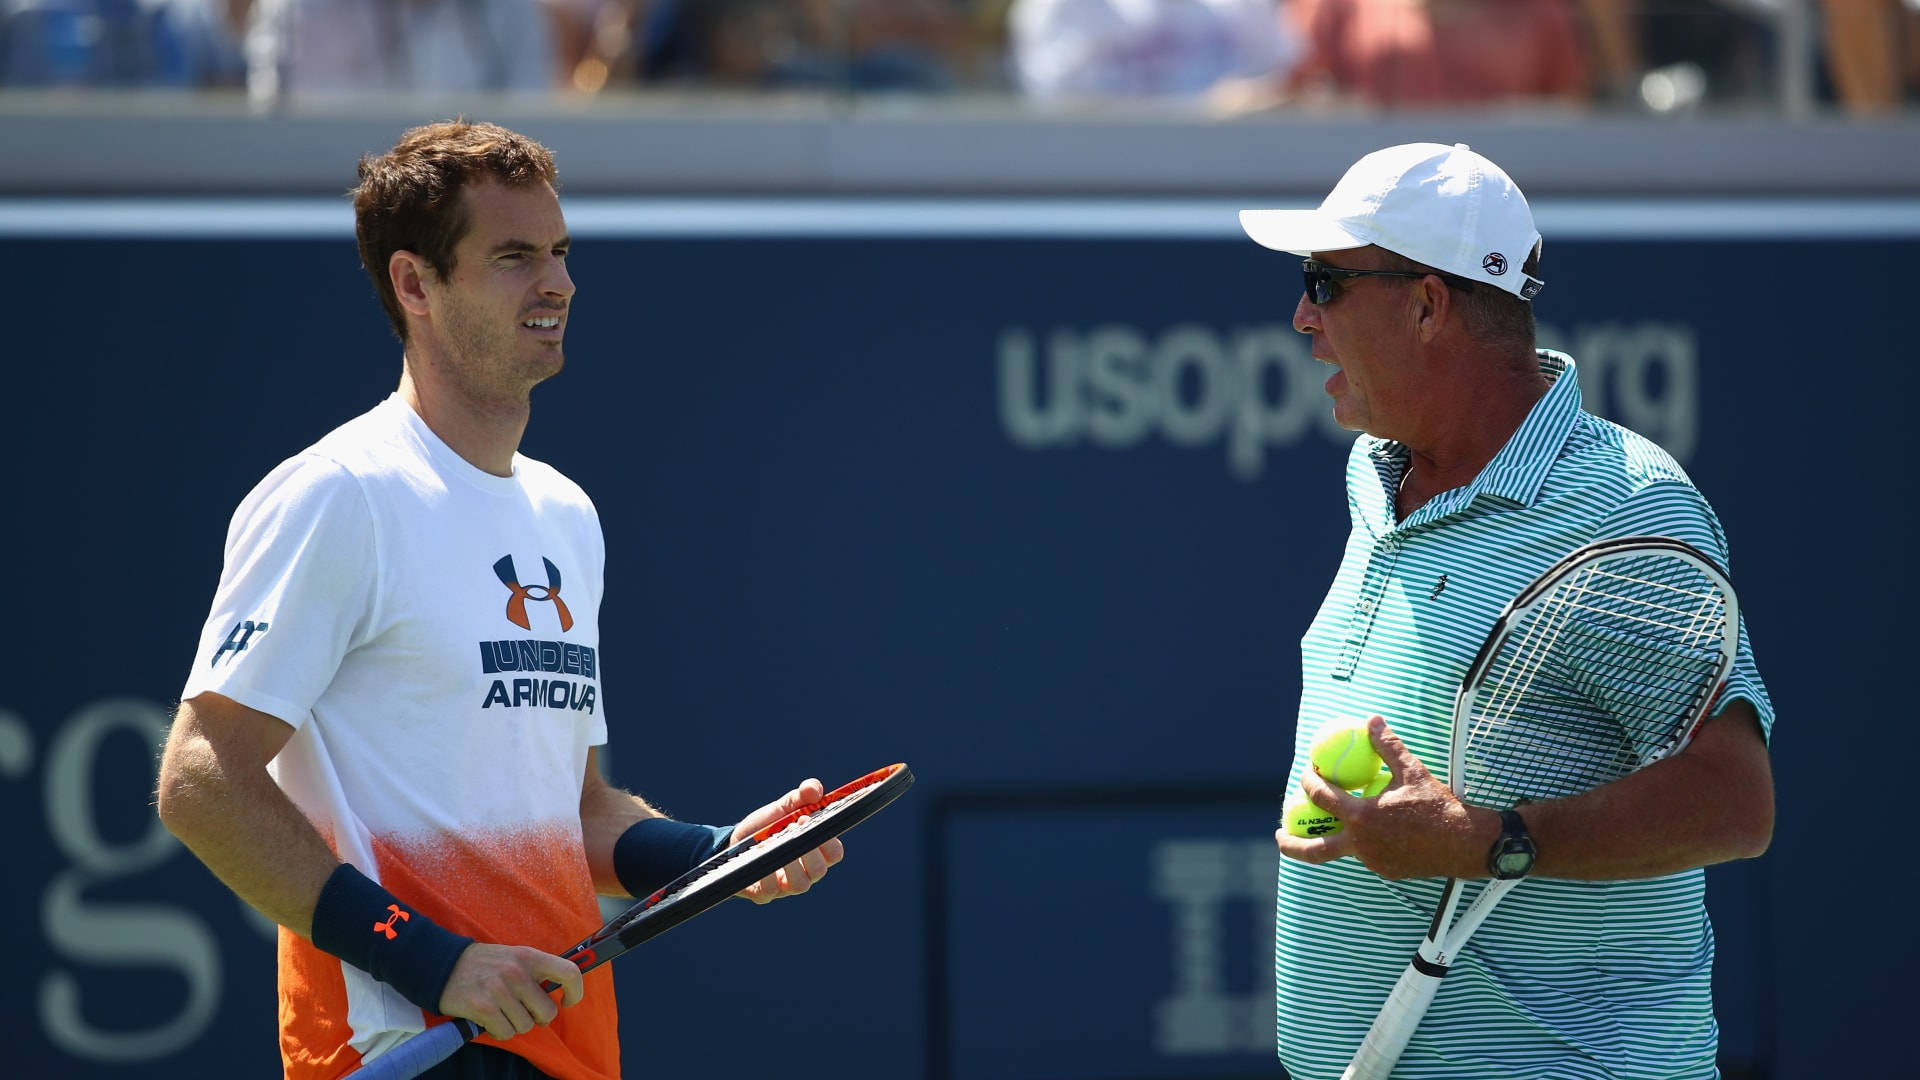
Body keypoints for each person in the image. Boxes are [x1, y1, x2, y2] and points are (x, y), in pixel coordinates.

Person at [155, 119, 843, 1080]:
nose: (558, 283)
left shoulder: (566, 514)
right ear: (414, 284)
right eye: (514, 256)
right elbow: (201, 780)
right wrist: (435, 964)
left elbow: (574, 811)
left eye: (559, 253)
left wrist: (720, 852)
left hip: (561, 1045)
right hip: (406, 1048)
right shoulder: (339, 494)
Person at [1238, 143, 1774, 1079]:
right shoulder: (1379, 476)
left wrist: (1485, 843)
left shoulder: (1620, 508)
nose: (1300, 318)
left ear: (1426, 304)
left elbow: (1734, 802)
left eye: (1324, 284)